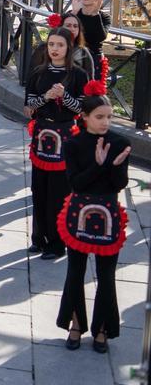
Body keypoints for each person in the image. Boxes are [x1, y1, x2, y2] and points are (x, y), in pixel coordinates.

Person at [57, 86, 131, 353]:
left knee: (106, 275)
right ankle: (76, 324)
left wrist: (112, 166)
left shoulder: (120, 143)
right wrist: (98, 164)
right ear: (85, 117)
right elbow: (76, 183)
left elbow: (119, 184)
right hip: (79, 212)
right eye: (100, 116)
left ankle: (102, 328)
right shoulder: (73, 144)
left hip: (108, 213)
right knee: (75, 273)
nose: (106, 122)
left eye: (109, 117)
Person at [25, 28, 89, 259]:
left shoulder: (78, 76)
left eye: (60, 45)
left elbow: (83, 109)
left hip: (65, 136)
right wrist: (46, 98)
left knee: (58, 192)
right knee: (38, 189)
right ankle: (38, 238)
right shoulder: (38, 73)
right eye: (51, 44)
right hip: (42, 134)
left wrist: (65, 97)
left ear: (68, 48)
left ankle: (56, 243)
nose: (54, 49)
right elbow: (29, 105)